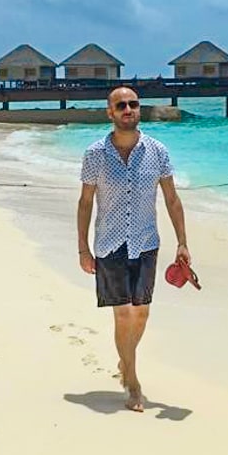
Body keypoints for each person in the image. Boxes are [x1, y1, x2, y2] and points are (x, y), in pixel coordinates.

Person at [77, 86, 190, 411]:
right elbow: (85, 202)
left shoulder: (158, 151)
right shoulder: (95, 154)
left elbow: (171, 198)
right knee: (123, 312)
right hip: (109, 243)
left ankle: (125, 362)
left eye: (133, 104)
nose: (128, 109)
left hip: (145, 242)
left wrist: (182, 242)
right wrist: (83, 249)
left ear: (139, 110)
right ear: (110, 113)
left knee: (141, 312)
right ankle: (133, 381)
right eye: (121, 105)